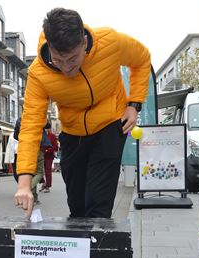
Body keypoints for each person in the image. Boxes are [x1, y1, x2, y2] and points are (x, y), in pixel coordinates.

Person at [14, 8, 151, 218]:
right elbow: (31, 125)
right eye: (59, 60)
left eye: (72, 59)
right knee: (77, 207)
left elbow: (142, 59)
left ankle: (99, 245)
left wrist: (134, 104)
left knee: (98, 206)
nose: (67, 68)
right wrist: (24, 184)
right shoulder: (38, 74)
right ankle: (78, 248)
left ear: (84, 43)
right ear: (49, 46)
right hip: (72, 132)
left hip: (110, 124)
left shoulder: (111, 43)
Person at [41, 125, 58, 193]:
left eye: (46, 129)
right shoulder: (40, 135)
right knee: (40, 172)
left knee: (48, 171)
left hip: (49, 156)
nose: (45, 130)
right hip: (41, 156)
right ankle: (44, 183)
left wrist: (48, 150)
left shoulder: (52, 136)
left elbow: (56, 147)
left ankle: (48, 186)